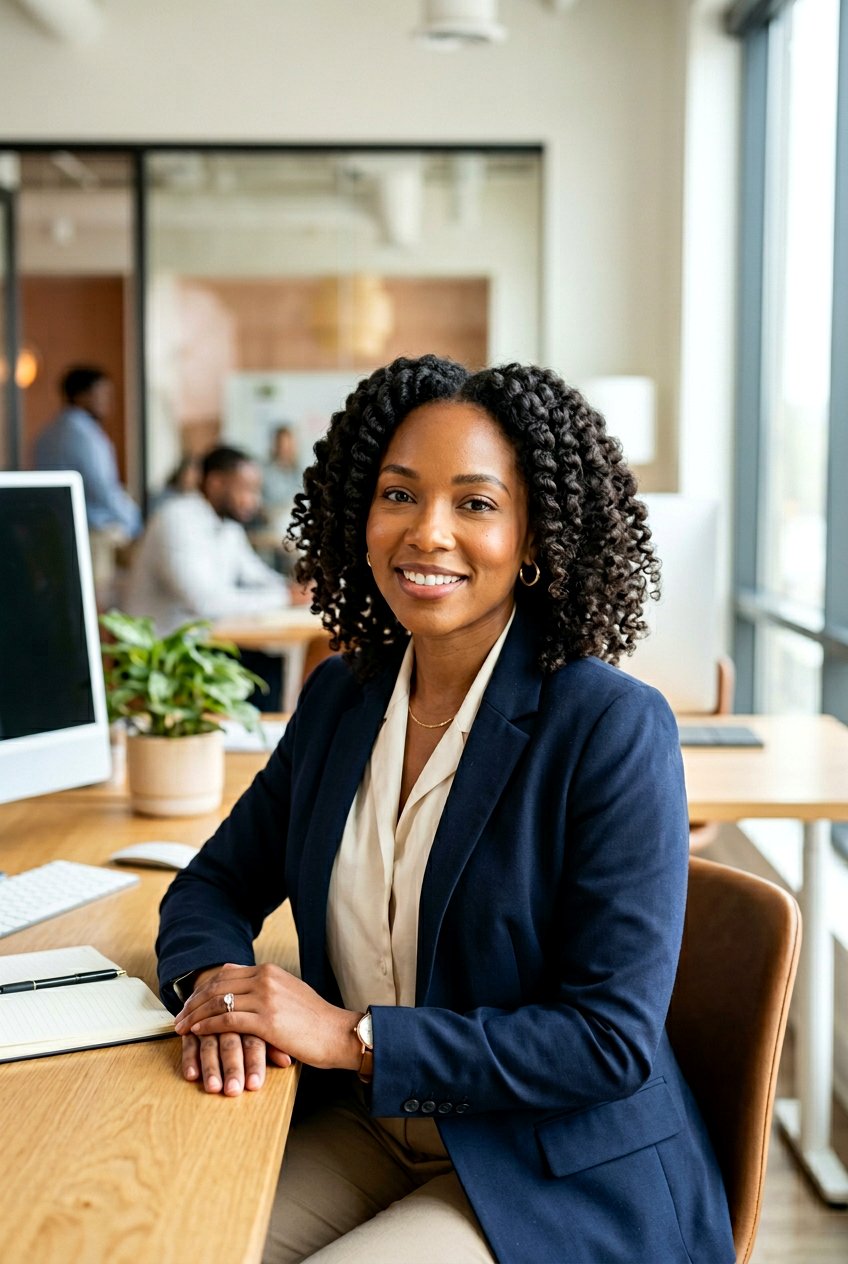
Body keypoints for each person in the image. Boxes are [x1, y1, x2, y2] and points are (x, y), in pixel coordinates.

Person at [156, 357, 735, 1264]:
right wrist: (216, 993)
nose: (427, 532)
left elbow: (607, 1040)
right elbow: (213, 885)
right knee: (171, 1242)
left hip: (549, 1165)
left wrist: (353, 1038)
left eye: (475, 503)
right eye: (399, 494)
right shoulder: (341, 698)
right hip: (366, 1124)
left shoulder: (611, 726)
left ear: (533, 536)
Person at [125, 445, 306, 709]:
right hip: (165, 656)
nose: (253, 500)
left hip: (205, 644)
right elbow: (205, 602)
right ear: (216, 483)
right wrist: (285, 597)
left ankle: (261, 734)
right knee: (262, 674)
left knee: (269, 666)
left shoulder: (228, 525)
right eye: (246, 489)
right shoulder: (176, 520)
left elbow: (254, 573)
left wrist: (294, 588)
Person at [34, 365, 141, 539]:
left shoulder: (48, 432)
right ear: (81, 396)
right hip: (92, 530)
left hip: (55, 527)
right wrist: (133, 520)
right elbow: (102, 487)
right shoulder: (84, 435)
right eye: (102, 394)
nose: (108, 402)